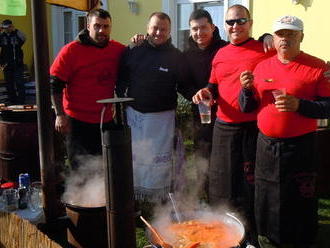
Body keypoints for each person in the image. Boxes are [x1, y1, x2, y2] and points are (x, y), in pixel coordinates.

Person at [239, 15, 330, 248]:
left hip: (301, 145)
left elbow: (328, 106)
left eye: (291, 33)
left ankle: (301, 238)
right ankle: (266, 238)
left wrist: (300, 105)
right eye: (280, 34)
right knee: (266, 195)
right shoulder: (261, 66)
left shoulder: (319, 67)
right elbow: (247, 107)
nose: (285, 38)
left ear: (301, 36)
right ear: (274, 37)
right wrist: (246, 91)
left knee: (299, 196)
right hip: (266, 145)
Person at [192, 4, 275, 247]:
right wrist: (205, 92)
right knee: (221, 182)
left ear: (250, 22)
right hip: (223, 127)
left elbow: (285, 59)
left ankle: (250, 236)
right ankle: (223, 233)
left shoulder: (264, 48)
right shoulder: (220, 54)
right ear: (224, 26)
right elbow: (213, 86)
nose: (235, 26)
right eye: (230, 22)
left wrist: (269, 36)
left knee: (250, 183)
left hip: (253, 129)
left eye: (240, 21)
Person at [116, 12, 195, 205]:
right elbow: (121, 79)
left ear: (169, 31)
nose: (159, 32)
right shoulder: (133, 50)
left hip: (162, 120)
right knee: (136, 159)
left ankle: (159, 199)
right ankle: (134, 197)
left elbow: (184, 85)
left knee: (159, 161)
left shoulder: (176, 56)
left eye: (163, 29)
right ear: (147, 28)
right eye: (155, 28)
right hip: (135, 117)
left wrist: (196, 96)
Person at [50, 8, 125, 170]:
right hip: (77, 122)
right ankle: (78, 196)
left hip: (105, 120)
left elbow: (135, 56)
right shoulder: (70, 51)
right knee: (80, 170)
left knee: (106, 168)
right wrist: (59, 115)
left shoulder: (117, 50)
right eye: (97, 26)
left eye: (106, 27)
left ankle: (103, 196)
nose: (101, 31)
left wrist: (138, 40)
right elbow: (55, 84)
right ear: (88, 25)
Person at [0, 19, 26, 104]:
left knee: (19, 83)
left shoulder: (16, 34)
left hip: (17, 63)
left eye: (9, 27)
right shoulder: (2, 36)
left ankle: (21, 101)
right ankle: (13, 102)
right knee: (9, 84)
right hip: (6, 64)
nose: (7, 29)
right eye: (5, 27)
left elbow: (24, 38)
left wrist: (15, 30)